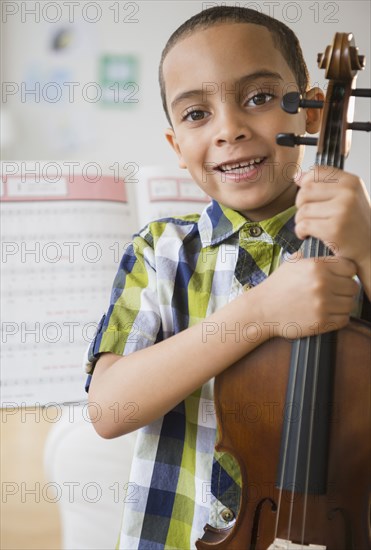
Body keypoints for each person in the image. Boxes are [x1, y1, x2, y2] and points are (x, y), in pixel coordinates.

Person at [85, 6, 370, 549]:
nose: (230, 129)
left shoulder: (359, 241)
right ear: (176, 147)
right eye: (196, 114)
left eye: (259, 98)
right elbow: (109, 409)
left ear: (312, 113)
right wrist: (259, 313)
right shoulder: (160, 252)